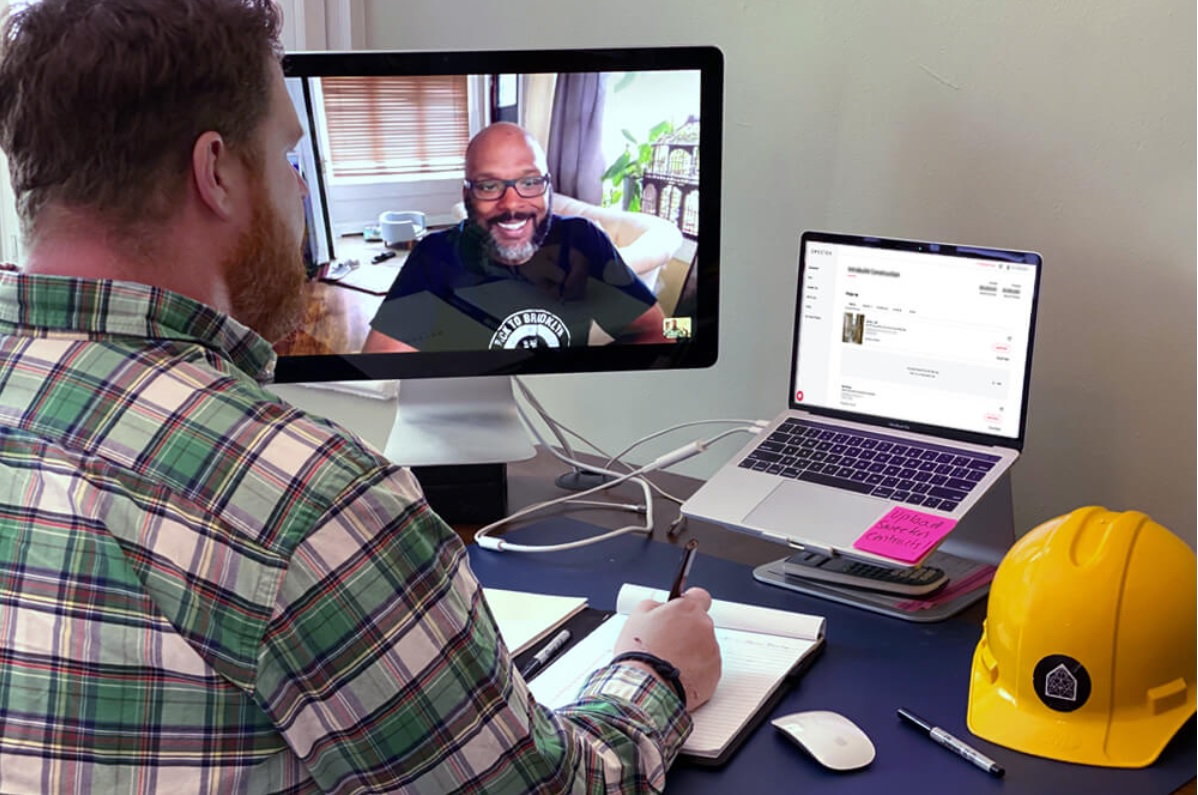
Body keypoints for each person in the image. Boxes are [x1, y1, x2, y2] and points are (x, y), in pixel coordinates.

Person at [0, 2, 721, 793]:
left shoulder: (583, 245)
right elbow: (554, 787)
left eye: (528, 184)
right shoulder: (311, 503)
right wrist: (655, 668)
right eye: (288, 156)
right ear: (216, 171)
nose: (298, 188)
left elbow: (649, 329)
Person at [362, 122, 671, 353]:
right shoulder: (435, 255)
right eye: (488, 186)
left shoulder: (583, 240)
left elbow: (665, 330)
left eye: (530, 181)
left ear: (548, 189)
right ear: (467, 196)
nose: (511, 204)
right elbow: (382, 368)